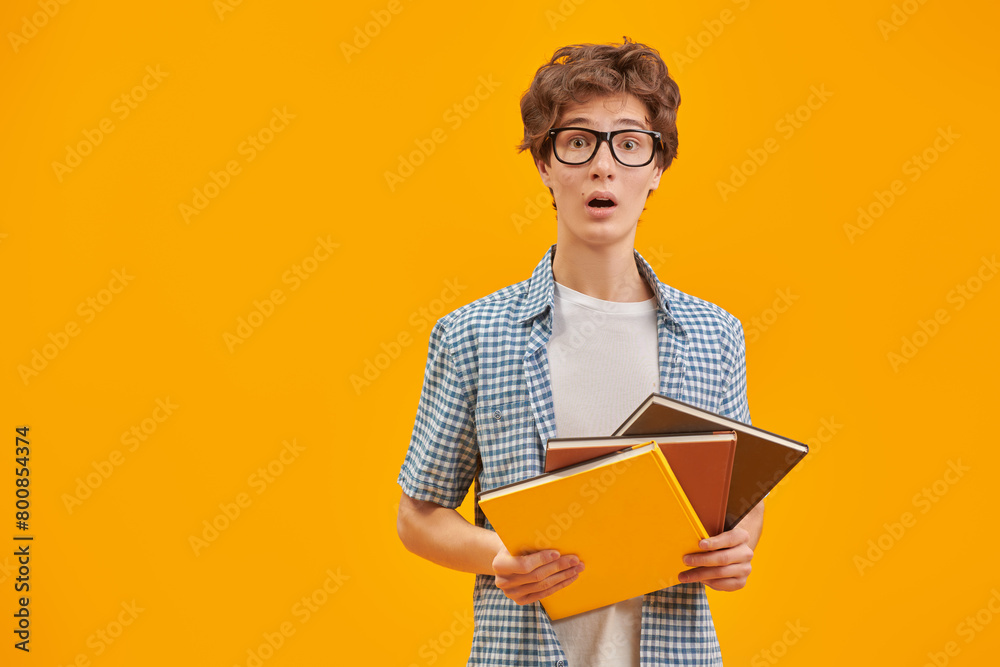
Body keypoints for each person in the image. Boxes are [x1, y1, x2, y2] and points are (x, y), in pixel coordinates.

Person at [396, 38, 763, 666]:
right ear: (544, 163)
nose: (603, 167)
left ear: (657, 167)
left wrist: (735, 551)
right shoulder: (475, 334)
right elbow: (419, 514)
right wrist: (499, 559)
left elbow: (738, 503)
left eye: (629, 143)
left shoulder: (713, 334)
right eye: (577, 141)